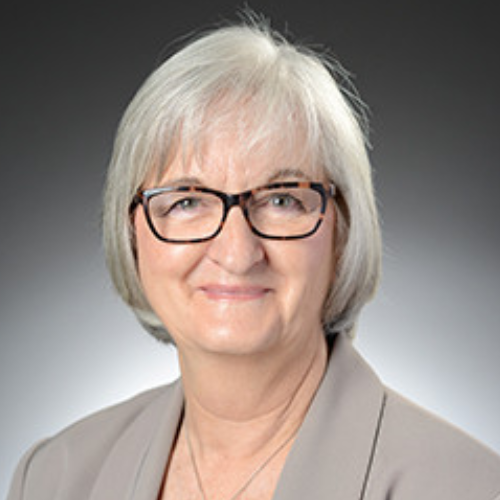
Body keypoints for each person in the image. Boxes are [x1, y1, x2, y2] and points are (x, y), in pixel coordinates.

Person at [7, 18, 500, 500]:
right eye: (187, 201)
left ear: (342, 233)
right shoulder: (54, 479)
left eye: (282, 200)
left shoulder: (469, 487)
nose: (237, 253)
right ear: (132, 232)